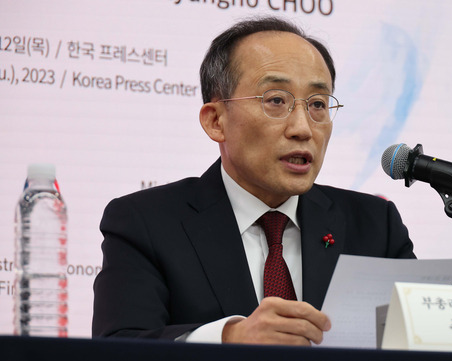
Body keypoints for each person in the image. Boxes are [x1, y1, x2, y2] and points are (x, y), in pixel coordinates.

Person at [92, 16, 415, 346]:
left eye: (318, 104)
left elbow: (425, 338)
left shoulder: (375, 226)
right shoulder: (145, 223)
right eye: (276, 100)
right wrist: (229, 338)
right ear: (216, 120)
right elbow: (119, 345)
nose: (303, 128)